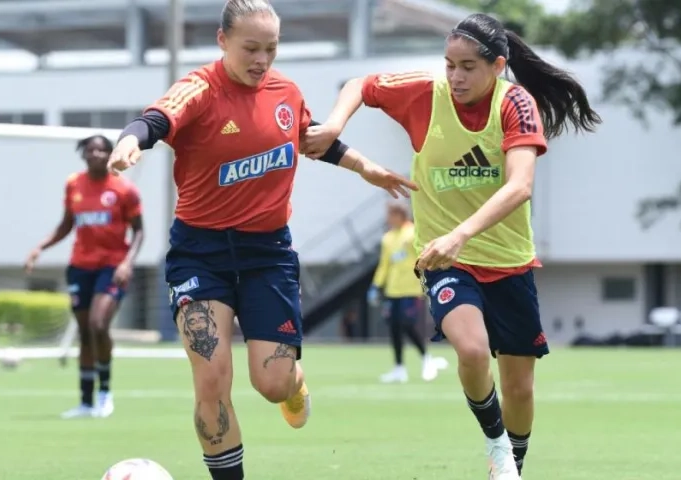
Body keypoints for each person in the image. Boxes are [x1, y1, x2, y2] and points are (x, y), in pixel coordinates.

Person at [106, 1, 416, 479]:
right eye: (250, 48)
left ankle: (294, 383)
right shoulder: (200, 89)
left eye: (270, 49)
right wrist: (132, 141)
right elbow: (155, 120)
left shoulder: (285, 94)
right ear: (222, 41)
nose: (261, 59)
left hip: (266, 255)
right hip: (199, 254)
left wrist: (366, 167)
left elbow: (315, 139)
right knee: (211, 380)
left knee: (271, 383)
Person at [304, 13, 601, 480]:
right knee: (473, 350)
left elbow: (520, 185)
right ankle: (496, 447)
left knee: (520, 388)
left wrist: (462, 233)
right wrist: (333, 126)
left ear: (498, 65)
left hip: (508, 261)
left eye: (468, 67)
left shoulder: (516, 103)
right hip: (445, 260)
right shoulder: (426, 93)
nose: (456, 76)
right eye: (449, 64)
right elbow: (361, 83)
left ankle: (512, 466)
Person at [25, 135, 145, 419]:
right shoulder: (74, 185)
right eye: (90, 150)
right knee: (84, 333)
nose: (96, 154)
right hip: (80, 266)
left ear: (110, 154)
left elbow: (139, 230)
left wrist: (127, 262)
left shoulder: (124, 190)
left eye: (102, 149)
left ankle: (105, 394)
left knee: (98, 324)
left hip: (112, 267)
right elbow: (67, 224)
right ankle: (85, 401)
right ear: (83, 154)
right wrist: (40, 247)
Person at [369, 200, 447, 383]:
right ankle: (399, 368)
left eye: (390, 215)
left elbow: (424, 256)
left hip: (411, 290)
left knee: (407, 323)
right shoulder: (387, 238)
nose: (388, 219)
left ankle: (426, 359)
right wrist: (376, 285)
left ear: (398, 215)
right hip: (393, 290)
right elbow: (384, 265)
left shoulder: (413, 234)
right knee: (394, 327)